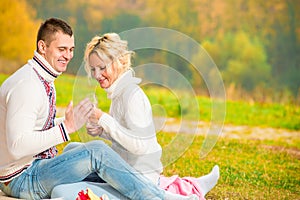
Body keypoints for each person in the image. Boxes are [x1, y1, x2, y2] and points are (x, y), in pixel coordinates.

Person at [0, 18, 198, 200]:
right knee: (97, 152)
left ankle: (159, 194)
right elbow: (18, 146)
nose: (68, 56)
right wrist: (67, 127)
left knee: (79, 150)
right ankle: (159, 198)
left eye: (71, 49)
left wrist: (72, 121)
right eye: (62, 49)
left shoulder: (39, 78)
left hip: (28, 170)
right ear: (42, 47)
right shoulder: (28, 85)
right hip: (22, 179)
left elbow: (33, 128)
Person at [54, 33, 220, 199]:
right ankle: (191, 186)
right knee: (72, 150)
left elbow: (139, 145)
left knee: (62, 190)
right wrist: (100, 130)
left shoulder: (132, 96)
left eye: (102, 68)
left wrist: (103, 119)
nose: (97, 75)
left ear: (120, 62)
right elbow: (123, 137)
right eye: (93, 69)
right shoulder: (118, 94)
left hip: (136, 179)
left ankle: (172, 195)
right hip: (120, 169)